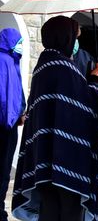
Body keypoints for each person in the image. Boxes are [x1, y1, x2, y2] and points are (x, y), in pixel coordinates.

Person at [12, 16, 98, 221]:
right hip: (67, 158)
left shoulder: (43, 66)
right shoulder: (64, 68)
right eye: (75, 36)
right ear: (64, 37)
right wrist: (95, 79)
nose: (77, 41)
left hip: (44, 156)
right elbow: (85, 108)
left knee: (50, 209)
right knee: (69, 210)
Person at [0, 28, 24, 221]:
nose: (21, 45)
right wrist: (13, 117)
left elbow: (17, 94)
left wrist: (19, 112)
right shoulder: (4, 61)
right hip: (5, 126)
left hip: (10, 122)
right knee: (3, 169)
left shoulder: (12, 61)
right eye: (18, 41)